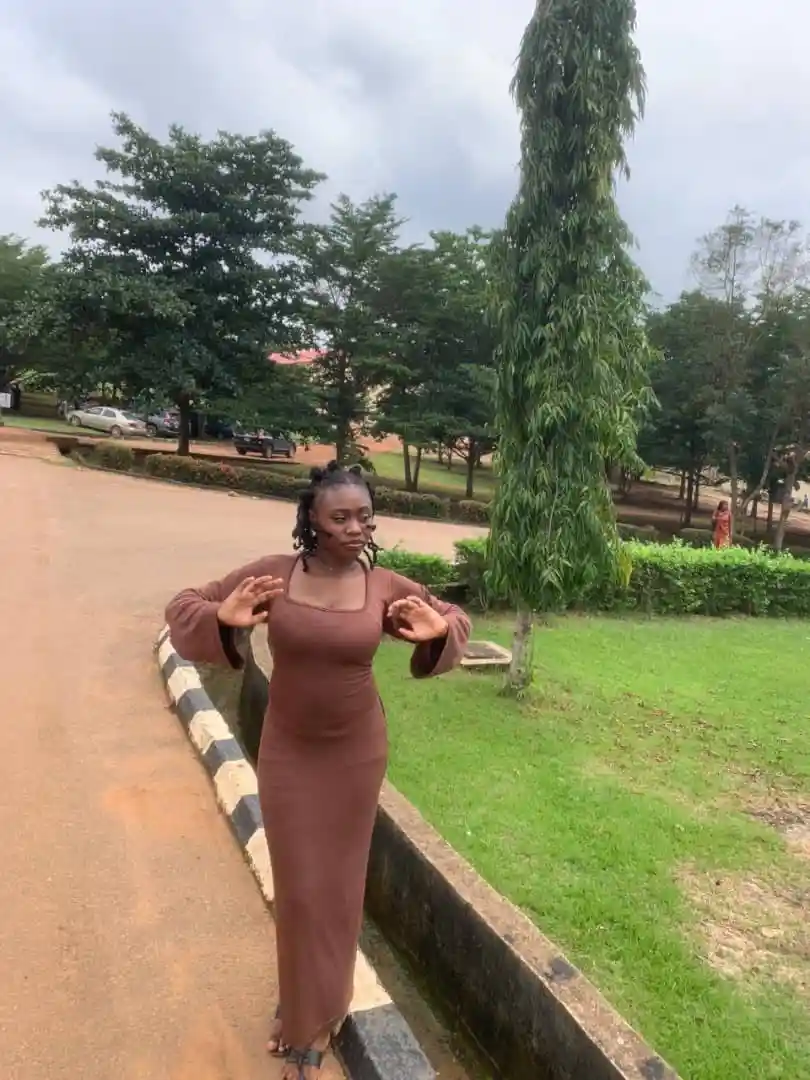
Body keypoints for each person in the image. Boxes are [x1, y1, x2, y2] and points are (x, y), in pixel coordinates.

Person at [165, 462, 471, 1080]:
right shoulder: (275, 575)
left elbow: (454, 620)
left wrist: (440, 631)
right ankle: (307, 999)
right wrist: (224, 618)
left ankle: (309, 1020)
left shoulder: (384, 586)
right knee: (300, 886)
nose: (356, 528)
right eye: (341, 517)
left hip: (355, 753)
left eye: (365, 516)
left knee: (338, 885)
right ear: (312, 519)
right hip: (290, 750)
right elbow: (183, 605)